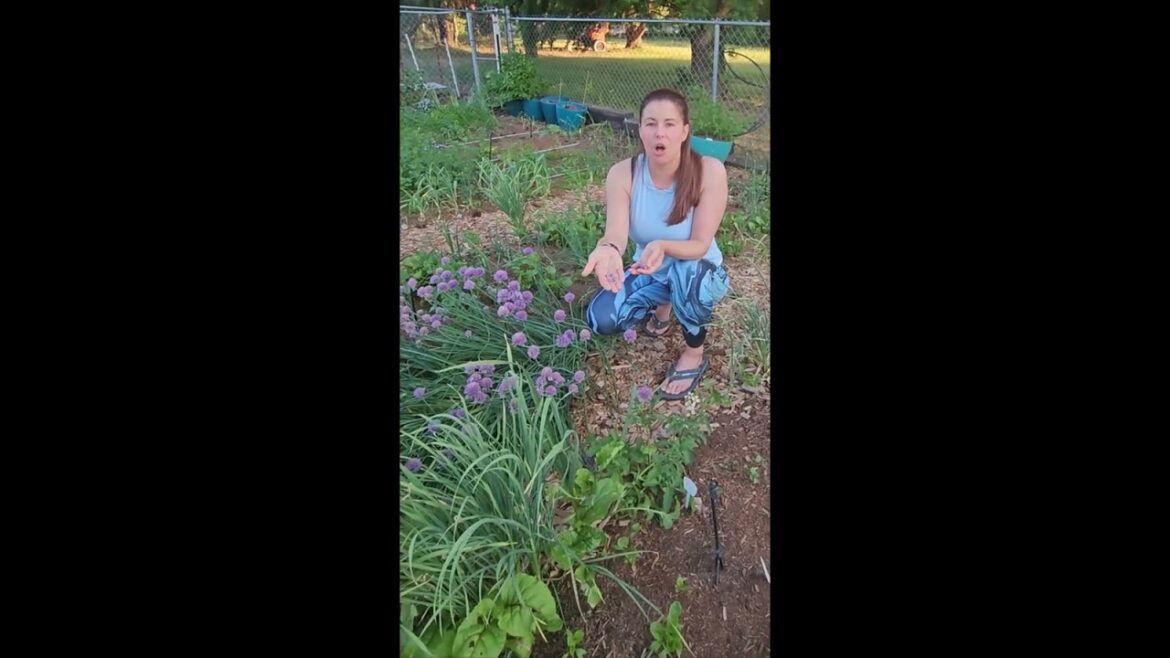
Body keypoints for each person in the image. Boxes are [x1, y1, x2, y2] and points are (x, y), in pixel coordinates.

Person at [582, 88, 732, 400]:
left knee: (687, 273)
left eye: (669, 124)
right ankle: (663, 308)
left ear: (684, 131)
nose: (659, 132)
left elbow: (701, 244)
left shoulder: (709, 171)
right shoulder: (623, 174)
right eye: (650, 124)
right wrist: (608, 250)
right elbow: (616, 234)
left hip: (701, 272)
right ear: (640, 130)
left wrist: (662, 245)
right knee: (601, 319)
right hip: (652, 269)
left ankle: (694, 354)